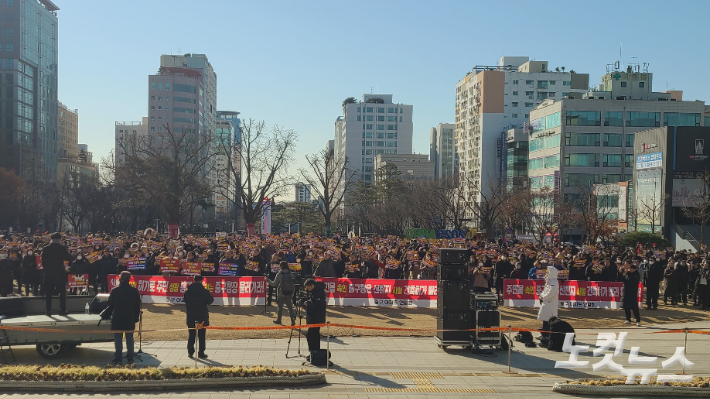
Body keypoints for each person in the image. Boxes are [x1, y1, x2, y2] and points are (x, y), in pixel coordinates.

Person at [101, 271, 141, 364]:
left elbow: (110, 305)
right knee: (129, 338)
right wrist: (136, 317)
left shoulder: (115, 291)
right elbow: (137, 306)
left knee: (118, 338)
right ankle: (130, 357)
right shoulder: (134, 291)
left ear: (120, 279)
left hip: (118, 317)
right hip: (130, 317)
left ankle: (118, 358)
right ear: (130, 279)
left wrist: (105, 315)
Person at [183, 275, 214, 359]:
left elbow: (184, 300)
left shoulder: (188, 291)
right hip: (202, 314)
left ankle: (190, 352)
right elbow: (210, 301)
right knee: (202, 335)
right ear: (202, 280)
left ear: (193, 280)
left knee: (191, 334)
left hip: (191, 314)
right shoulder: (204, 291)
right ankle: (201, 352)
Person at [42, 232, 73, 316]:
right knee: (62, 293)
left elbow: (43, 262)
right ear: (59, 239)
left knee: (48, 293)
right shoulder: (62, 248)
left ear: (51, 239)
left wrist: (47, 270)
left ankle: (48, 311)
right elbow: (69, 259)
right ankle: (62, 310)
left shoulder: (45, 248)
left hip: (48, 273)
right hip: (59, 273)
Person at [301, 278, 326, 353]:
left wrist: (308, 303)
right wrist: (304, 303)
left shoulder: (320, 293)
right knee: (310, 335)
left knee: (314, 335)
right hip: (312, 317)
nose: (308, 290)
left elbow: (318, 305)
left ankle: (315, 351)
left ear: (312, 286)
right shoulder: (315, 292)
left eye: (308, 288)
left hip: (316, 318)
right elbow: (312, 302)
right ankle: (313, 351)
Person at [268, 261, 296, 325]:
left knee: (280, 307)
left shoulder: (280, 274)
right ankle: (293, 320)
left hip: (281, 292)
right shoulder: (290, 273)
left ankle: (279, 319)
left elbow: (274, 284)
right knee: (290, 308)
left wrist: (267, 280)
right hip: (289, 292)